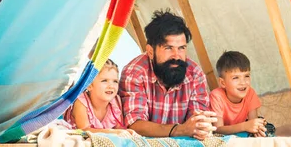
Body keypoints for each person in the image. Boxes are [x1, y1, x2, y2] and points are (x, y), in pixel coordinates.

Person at [119, 9, 217, 139]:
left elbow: (198, 122)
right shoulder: (135, 72)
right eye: (168, 48)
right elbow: (135, 125)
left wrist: (202, 127)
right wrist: (180, 130)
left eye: (181, 48)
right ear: (150, 51)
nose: (176, 56)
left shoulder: (195, 74)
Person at [65, 59, 136, 137]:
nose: (111, 86)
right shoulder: (81, 102)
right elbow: (84, 130)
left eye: (115, 81)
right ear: (89, 85)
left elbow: (119, 128)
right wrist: (112, 132)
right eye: (104, 80)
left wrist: (128, 132)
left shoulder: (115, 102)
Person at [210, 51, 267, 136]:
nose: (243, 82)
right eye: (236, 78)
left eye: (246, 76)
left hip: (241, 133)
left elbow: (252, 123)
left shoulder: (250, 93)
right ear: (223, 83)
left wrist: (258, 127)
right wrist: (245, 126)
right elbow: (218, 130)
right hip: (222, 137)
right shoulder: (216, 96)